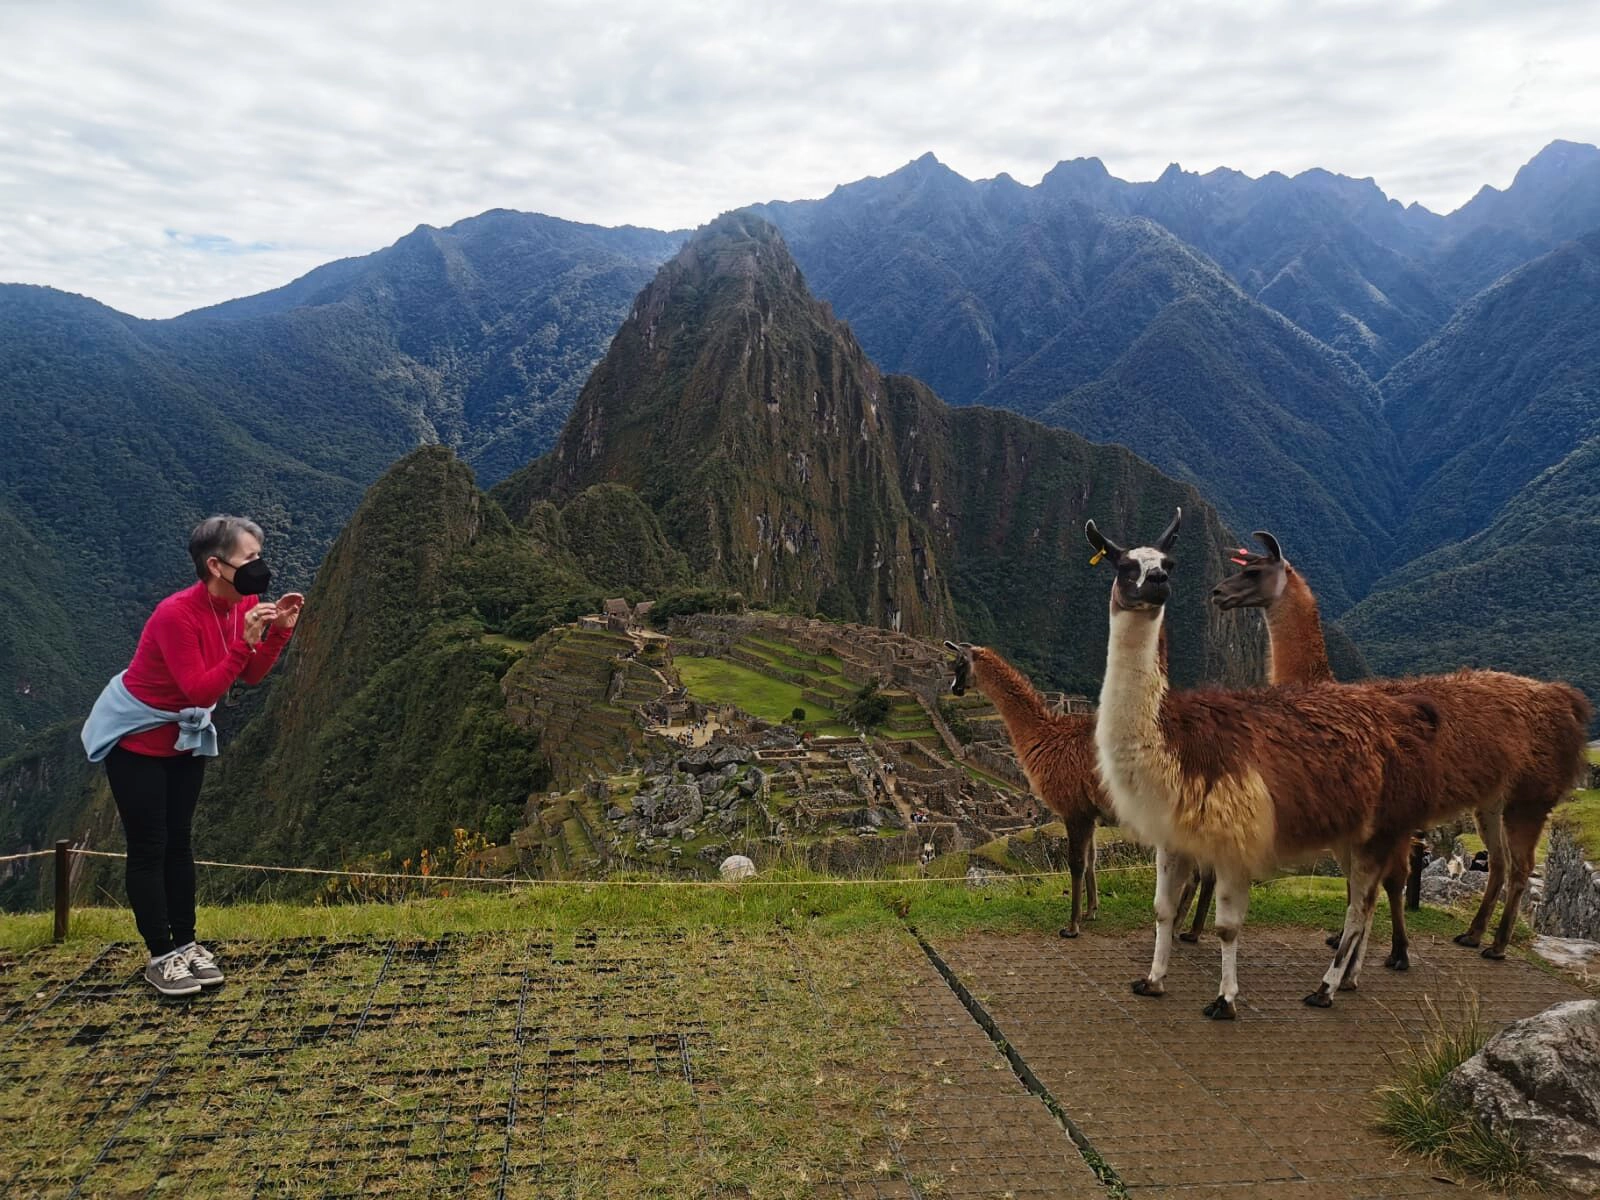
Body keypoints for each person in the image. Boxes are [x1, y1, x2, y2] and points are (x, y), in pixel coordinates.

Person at [81, 516, 303, 997]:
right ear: (216, 564)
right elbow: (199, 689)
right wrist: (245, 644)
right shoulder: (174, 614)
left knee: (179, 840)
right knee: (149, 844)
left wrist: (279, 633)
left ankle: (186, 942)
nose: (259, 566)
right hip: (136, 741)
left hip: (184, 738)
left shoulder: (242, 602)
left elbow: (249, 678)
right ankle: (161, 955)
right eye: (250, 557)